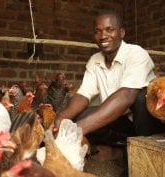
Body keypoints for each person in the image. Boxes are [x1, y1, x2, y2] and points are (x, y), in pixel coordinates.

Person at [53, 9, 164, 146]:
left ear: (121, 33)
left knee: (142, 97)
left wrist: (77, 130)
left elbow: (126, 96)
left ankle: (143, 147)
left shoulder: (136, 54)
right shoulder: (95, 60)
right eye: (97, 31)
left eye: (109, 30)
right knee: (80, 115)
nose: (103, 36)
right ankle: (121, 145)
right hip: (121, 121)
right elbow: (83, 95)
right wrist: (61, 118)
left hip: (146, 123)